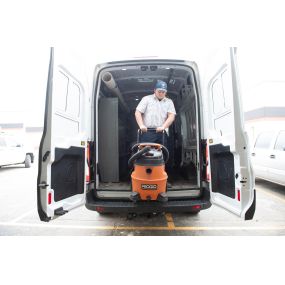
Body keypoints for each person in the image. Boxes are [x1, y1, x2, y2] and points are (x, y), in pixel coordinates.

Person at [135, 80, 176, 147]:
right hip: (147, 132)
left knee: (163, 152)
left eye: (163, 92)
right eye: (159, 91)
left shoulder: (169, 102)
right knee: (146, 153)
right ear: (154, 90)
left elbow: (171, 116)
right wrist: (141, 125)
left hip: (161, 132)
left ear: (166, 92)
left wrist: (163, 127)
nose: (161, 93)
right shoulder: (146, 99)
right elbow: (138, 112)